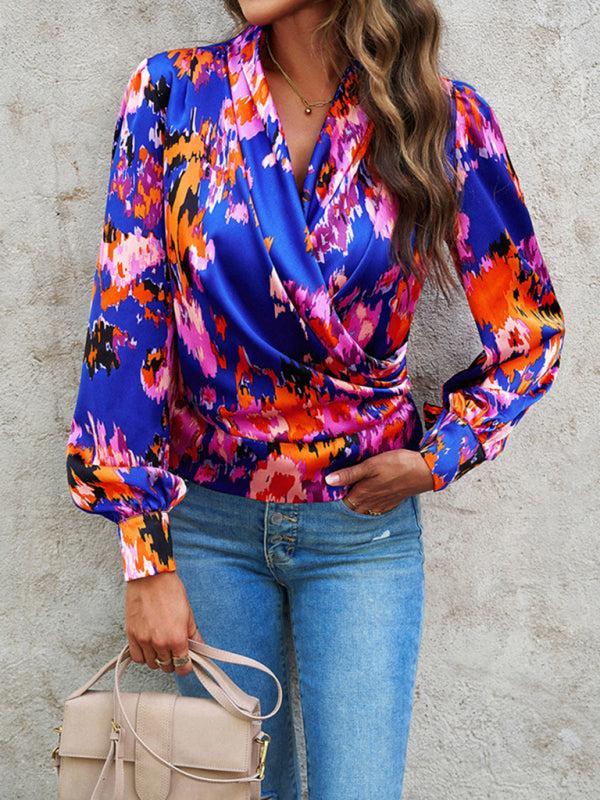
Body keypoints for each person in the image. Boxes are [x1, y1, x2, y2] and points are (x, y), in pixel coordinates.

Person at [65, 1, 566, 797]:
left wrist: (440, 455)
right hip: (210, 525)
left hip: (360, 535)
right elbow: (127, 325)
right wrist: (144, 556)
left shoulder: (438, 117)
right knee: (235, 789)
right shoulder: (173, 95)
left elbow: (529, 328)